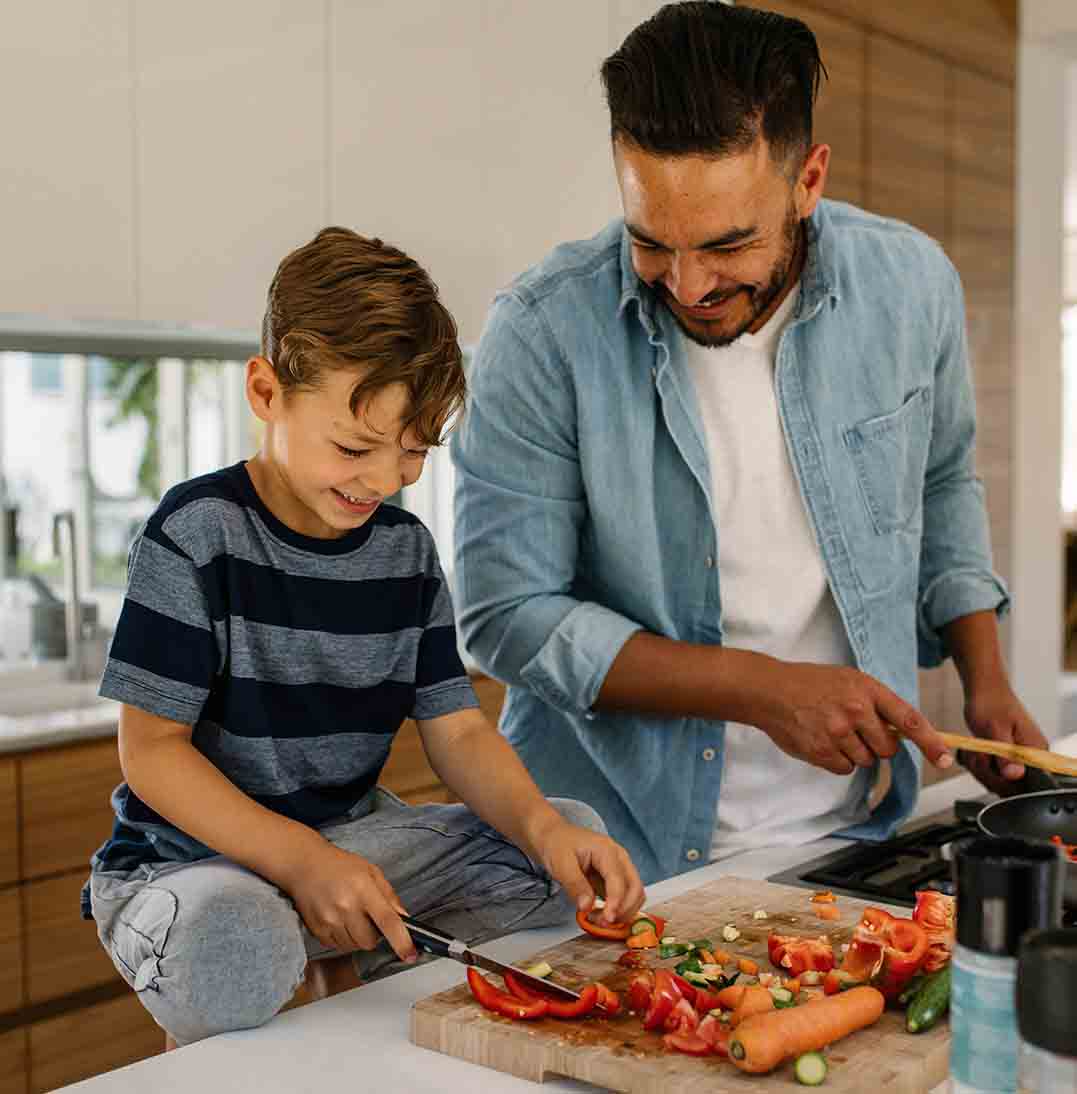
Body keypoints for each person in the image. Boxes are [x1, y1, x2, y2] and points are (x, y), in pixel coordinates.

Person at [451, 2, 1047, 885]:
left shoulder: (911, 285)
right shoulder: (541, 332)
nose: (687, 285)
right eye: (650, 241)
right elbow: (506, 617)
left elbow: (940, 480)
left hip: (850, 834)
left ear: (807, 180)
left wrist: (983, 674)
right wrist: (760, 689)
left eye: (727, 244)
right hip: (605, 849)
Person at [82, 227, 644, 1047]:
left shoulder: (404, 551)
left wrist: (544, 829)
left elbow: (455, 730)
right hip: (189, 864)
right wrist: (302, 865)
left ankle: (337, 944)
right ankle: (307, 946)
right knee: (236, 938)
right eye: (354, 446)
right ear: (267, 392)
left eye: (413, 453)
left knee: (559, 843)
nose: (383, 481)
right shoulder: (196, 533)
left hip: (347, 842)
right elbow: (153, 752)